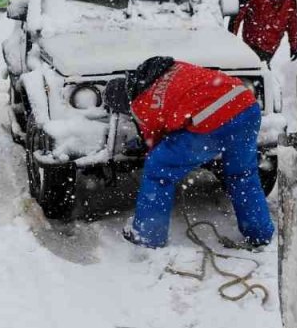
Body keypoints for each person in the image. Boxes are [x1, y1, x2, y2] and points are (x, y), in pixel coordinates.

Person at [103, 56, 275, 249]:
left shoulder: (139, 103)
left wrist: (145, 146)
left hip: (213, 121)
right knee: (242, 174)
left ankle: (148, 236)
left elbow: (154, 142)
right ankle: (259, 233)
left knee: (157, 169)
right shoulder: (169, 68)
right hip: (245, 105)